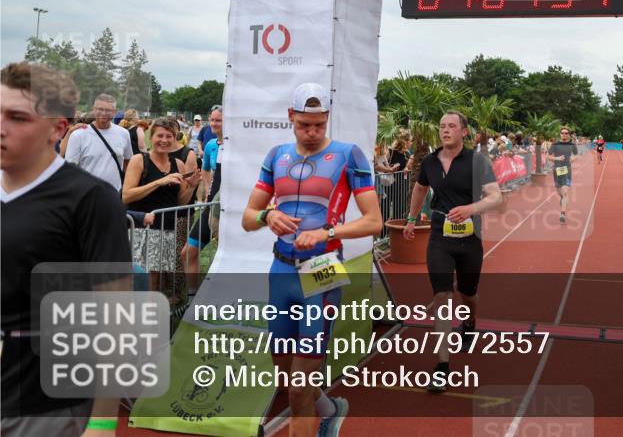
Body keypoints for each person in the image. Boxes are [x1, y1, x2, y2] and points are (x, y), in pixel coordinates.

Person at [242, 83, 382, 437]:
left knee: (300, 388)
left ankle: (318, 414)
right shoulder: (277, 156)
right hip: (281, 271)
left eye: (320, 125)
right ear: (291, 116)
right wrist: (266, 217)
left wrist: (327, 233)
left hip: (322, 270)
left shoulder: (349, 155)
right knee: (285, 376)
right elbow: (248, 216)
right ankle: (331, 409)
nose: (313, 132)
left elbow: (374, 221)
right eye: (305, 124)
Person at [1, 62, 130, 437]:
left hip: (47, 404)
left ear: (58, 128)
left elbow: (117, 319)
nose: (1, 127)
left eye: (18, 117)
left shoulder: (89, 199)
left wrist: (103, 422)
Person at [404, 111, 501, 392]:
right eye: (442, 126)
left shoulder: (477, 161)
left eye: (451, 126)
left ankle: (469, 322)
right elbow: (420, 188)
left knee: (468, 294)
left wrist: (471, 209)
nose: (445, 130)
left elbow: (496, 196)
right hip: (439, 237)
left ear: (464, 132)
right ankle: (442, 366)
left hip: (470, 237)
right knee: (443, 295)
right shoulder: (430, 161)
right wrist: (411, 219)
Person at [122, 118, 195, 296]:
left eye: (169, 136)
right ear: (151, 137)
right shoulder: (140, 160)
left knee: (156, 281)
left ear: (175, 138)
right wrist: (159, 182)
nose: (164, 140)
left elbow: (180, 203)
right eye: (159, 135)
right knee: (142, 279)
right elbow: (126, 195)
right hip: (142, 228)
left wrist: (192, 187)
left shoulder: (178, 164)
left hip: (167, 229)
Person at [183, 107, 223, 291]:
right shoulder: (211, 145)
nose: (214, 124)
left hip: (231, 210)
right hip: (212, 206)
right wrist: (208, 189)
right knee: (188, 252)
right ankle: (192, 299)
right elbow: (206, 169)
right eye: (212, 120)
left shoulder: (238, 146)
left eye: (218, 120)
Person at [64, 94, 133, 191]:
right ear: (93, 109)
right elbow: (70, 170)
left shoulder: (124, 133)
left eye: (108, 110)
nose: (103, 113)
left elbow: (128, 162)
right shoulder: (78, 135)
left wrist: (126, 187)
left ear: (114, 112)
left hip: (115, 196)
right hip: (87, 196)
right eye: (100, 109)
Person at [549, 127, 578, 224]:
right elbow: (547, 156)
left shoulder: (572, 145)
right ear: (560, 134)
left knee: (565, 192)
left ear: (569, 135)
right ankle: (563, 199)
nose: (564, 135)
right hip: (557, 171)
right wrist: (557, 158)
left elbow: (576, 154)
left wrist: (574, 158)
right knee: (560, 192)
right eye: (562, 133)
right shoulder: (555, 145)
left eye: (566, 133)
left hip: (567, 170)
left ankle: (562, 214)